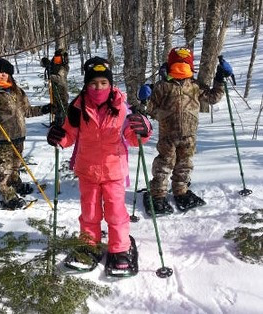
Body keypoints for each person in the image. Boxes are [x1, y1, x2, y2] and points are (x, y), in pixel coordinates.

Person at [47, 56, 152, 276]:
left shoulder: (121, 107)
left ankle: (120, 249)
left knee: (115, 212)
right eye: (94, 83)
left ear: (111, 84)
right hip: (88, 171)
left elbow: (135, 138)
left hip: (114, 171)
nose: (98, 87)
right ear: (87, 85)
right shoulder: (78, 107)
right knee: (90, 212)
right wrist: (58, 136)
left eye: (103, 83)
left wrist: (144, 128)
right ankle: (89, 245)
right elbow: (69, 135)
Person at [143, 47, 232, 214]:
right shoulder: (163, 86)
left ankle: (180, 191)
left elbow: (213, 98)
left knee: (185, 165)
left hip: (189, 136)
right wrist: (147, 98)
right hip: (168, 136)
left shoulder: (195, 86)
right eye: (178, 64)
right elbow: (150, 108)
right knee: (164, 164)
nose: (181, 68)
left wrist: (219, 79)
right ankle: (158, 195)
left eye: (184, 65)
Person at [0, 57, 51, 210]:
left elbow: (28, 111)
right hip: (3, 138)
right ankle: (8, 195)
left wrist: (45, 109)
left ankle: (15, 183)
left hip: (19, 136)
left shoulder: (16, 91)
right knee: (4, 169)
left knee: (16, 165)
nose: (3, 75)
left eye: (6, 72)